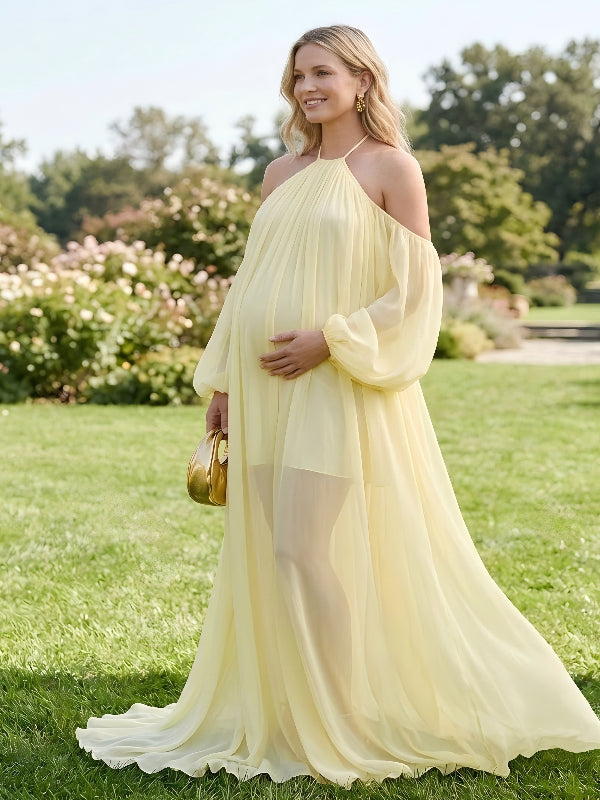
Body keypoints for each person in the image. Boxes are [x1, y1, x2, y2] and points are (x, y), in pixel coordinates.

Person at [76, 24, 600, 788]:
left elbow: (415, 292)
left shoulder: (392, 168)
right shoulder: (279, 172)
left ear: (362, 80)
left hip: (335, 386)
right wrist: (223, 384)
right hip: (261, 390)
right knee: (267, 553)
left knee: (302, 549)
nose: (308, 88)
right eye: (298, 77)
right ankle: (291, 712)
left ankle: (344, 717)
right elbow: (248, 284)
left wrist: (332, 339)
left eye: (322, 72)